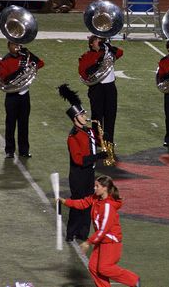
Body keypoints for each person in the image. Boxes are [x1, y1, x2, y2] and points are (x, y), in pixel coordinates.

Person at [60, 175, 141, 287]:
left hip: (111, 242)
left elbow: (103, 229)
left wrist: (88, 242)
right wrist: (65, 202)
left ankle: (133, 280)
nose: (94, 188)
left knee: (104, 268)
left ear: (105, 188)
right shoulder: (95, 198)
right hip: (102, 241)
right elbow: (83, 203)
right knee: (93, 267)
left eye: (97, 186)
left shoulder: (108, 206)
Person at [58, 84, 108, 242]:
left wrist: (103, 140)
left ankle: (83, 233)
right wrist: (98, 156)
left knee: (89, 203)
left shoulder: (89, 131)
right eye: (82, 114)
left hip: (89, 173)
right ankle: (71, 233)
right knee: (78, 203)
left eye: (84, 112)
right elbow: (79, 160)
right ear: (75, 118)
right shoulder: (73, 137)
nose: (85, 115)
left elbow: (95, 144)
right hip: (78, 175)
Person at [0, 41, 44, 158]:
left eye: (18, 45)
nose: (17, 47)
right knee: (10, 124)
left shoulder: (25, 57)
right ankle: (9, 151)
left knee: (24, 124)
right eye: (14, 45)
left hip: (24, 95)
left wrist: (29, 53)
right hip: (12, 95)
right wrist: (20, 71)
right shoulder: (5, 60)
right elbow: (5, 79)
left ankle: (24, 150)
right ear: (9, 47)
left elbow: (41, 63)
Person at [78, 35, 123, 144]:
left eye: (100, 40)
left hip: (110, 87)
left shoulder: (108, 53)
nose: (100, 42)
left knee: (110, 115)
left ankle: (109, 140)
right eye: (97, 40)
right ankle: (97, 140)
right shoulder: (87, 56)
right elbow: (83, 72)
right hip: (96, 88)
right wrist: (97, 64)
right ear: (91, 44)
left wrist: (109, 46)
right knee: (97, 116)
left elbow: (120, 52)